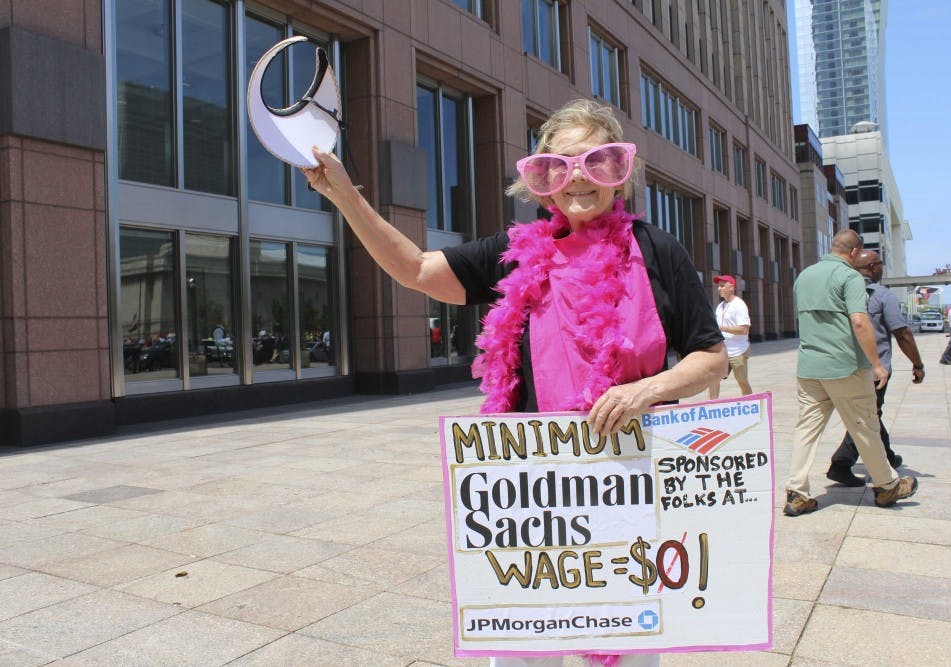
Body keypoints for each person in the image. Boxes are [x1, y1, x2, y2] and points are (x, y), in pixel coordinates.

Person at [305, 98, 727, 667]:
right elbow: (415, 269)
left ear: (618, 173)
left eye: (596, 162)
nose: (579, 178)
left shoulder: (656, 250)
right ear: (544, 181)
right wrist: (344, 196)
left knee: (627, 648)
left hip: (630, 481)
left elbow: (711, 357)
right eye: (562, 165)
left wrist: (641, 391)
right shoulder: (516, 254)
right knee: (525, 655)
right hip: (534, 492)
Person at [784, 230, 918, 517]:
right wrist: (876, 364)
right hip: (844, 366)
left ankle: (797, 492)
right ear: (855, 253)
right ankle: (887, 486)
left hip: (809, 367)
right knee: (865, 426)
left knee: (806, 430)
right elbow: (859, 322)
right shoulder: (851, 277)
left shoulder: (804, 276)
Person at [825, 250, 924, 486]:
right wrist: (917, 364)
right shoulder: (882, 295)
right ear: (872, 267)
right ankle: (841, 463)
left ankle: (887, 455)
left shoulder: (839, 293)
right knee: (866, 417)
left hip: (843, 366)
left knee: (871, 413)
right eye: (880, 264)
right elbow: (902, 333)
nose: (882, 269)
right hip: (873, 370)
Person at [707, 274, 752, 399]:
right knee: (714, 381)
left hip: (738, 351)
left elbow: (744, 329)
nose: (719, 289)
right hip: (722, 352)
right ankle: (712, 408)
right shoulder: (720, 306)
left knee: (742, 381)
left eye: (722, 286)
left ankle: (749, 406)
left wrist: (721, 328)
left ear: (731, 287)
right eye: (718, 286)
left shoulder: (739, 305)